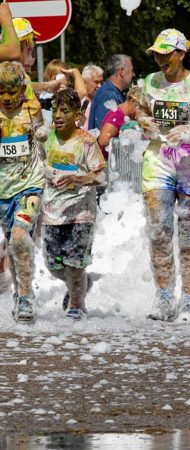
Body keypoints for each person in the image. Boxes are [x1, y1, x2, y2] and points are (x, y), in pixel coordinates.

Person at [137, 29, 190, 321]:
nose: (161, 59)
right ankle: (163, 297)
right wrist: (142, 119)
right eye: (157, 54)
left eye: (166, 54)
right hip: (158, 160)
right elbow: (137, 108)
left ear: (181, 54)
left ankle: (189, 298)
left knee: (189, 237)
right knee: (159, 231)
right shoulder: (150, 82)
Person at [41, 89, 106, 321]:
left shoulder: (86, 141)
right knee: (53, 265)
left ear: (77, 115)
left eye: (64, 111)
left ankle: (77, 305)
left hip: (81, 213)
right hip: (52, 212)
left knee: (74, 264)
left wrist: (79, 178)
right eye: (54, 110)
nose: (57, 115)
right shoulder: (46, 137)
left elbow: (101, 176)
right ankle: (80, 283)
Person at [0, 61, 45, 323]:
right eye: (1, 91)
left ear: (21, 90)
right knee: (14, 245)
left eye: (11, 91)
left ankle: (26, 297)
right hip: (3, 189)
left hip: (30, 185)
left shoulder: (31, 110)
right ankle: (20, 291)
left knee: (18, 238)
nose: (6, 98)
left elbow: (44, 139)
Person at [88, 54, 135, 131]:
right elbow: (103, 132)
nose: (133, 74)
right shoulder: (108, 95)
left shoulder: (112, 93)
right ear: (122, 71)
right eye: (131, 70)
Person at [96, 86, 143, 157]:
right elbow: (103, 141)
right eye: (140, 108)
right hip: (108, 162)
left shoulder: (128, 115)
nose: (141, 112)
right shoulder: (117, 115)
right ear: (132, 101)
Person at [81, 64, 104, 129]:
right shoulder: (77, 102)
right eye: (96, 82)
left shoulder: (105, 103)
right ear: (85, 83)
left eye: (101, 82)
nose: (100, 86)